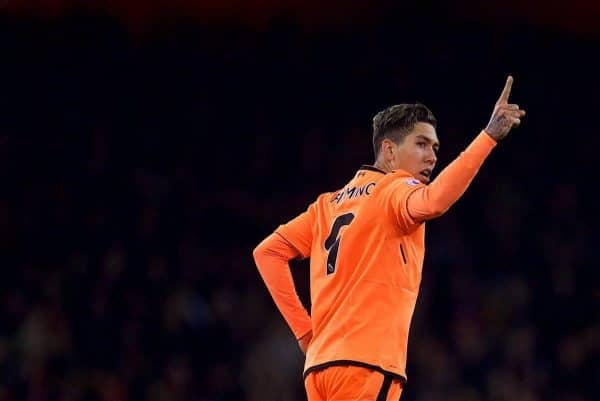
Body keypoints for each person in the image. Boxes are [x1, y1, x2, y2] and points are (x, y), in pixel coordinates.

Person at [253, 76, 526, 400]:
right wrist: (488, 137)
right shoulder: (394, 189)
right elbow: (435, 201)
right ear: (389, 150)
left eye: (435, 148)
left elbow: (267, 253)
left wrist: (304, 331)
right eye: (421, 144)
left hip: (320, 369)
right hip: (367, 364)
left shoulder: (327, 205)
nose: (432, 156)